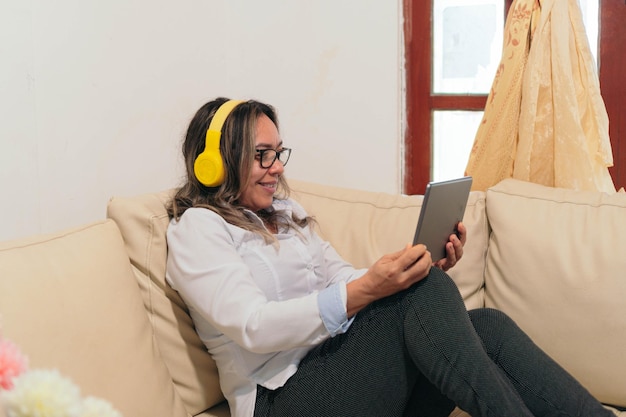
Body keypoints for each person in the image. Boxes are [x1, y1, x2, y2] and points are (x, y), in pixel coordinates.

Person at [165, 97, 612, 417]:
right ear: (216, 163)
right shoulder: (198, 230)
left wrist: (406, 271)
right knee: (422, 293)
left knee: (485, 326)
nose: (277, 167)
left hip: (345, 376)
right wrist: (368, 291)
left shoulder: (285, 213)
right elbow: (254, 325)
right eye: (262, 155)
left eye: (278, 152)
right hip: (280, 398)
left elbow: (339, 274)